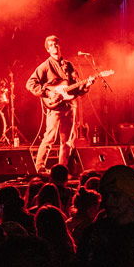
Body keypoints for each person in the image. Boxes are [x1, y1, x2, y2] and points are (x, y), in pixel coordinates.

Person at [26, 36, 95, 173]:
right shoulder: (45, 66)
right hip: (55, 107)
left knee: (68, 140)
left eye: (56, 44)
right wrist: (48, 93)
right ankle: (39, 168)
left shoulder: (69, 65)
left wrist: (86, 85)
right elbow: (30, 84)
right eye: (51, 45)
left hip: (69, 107)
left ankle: (61, 170)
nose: (54, 47)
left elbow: (77, 88)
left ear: (59, 46)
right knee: (49, 137)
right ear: (48, 49)